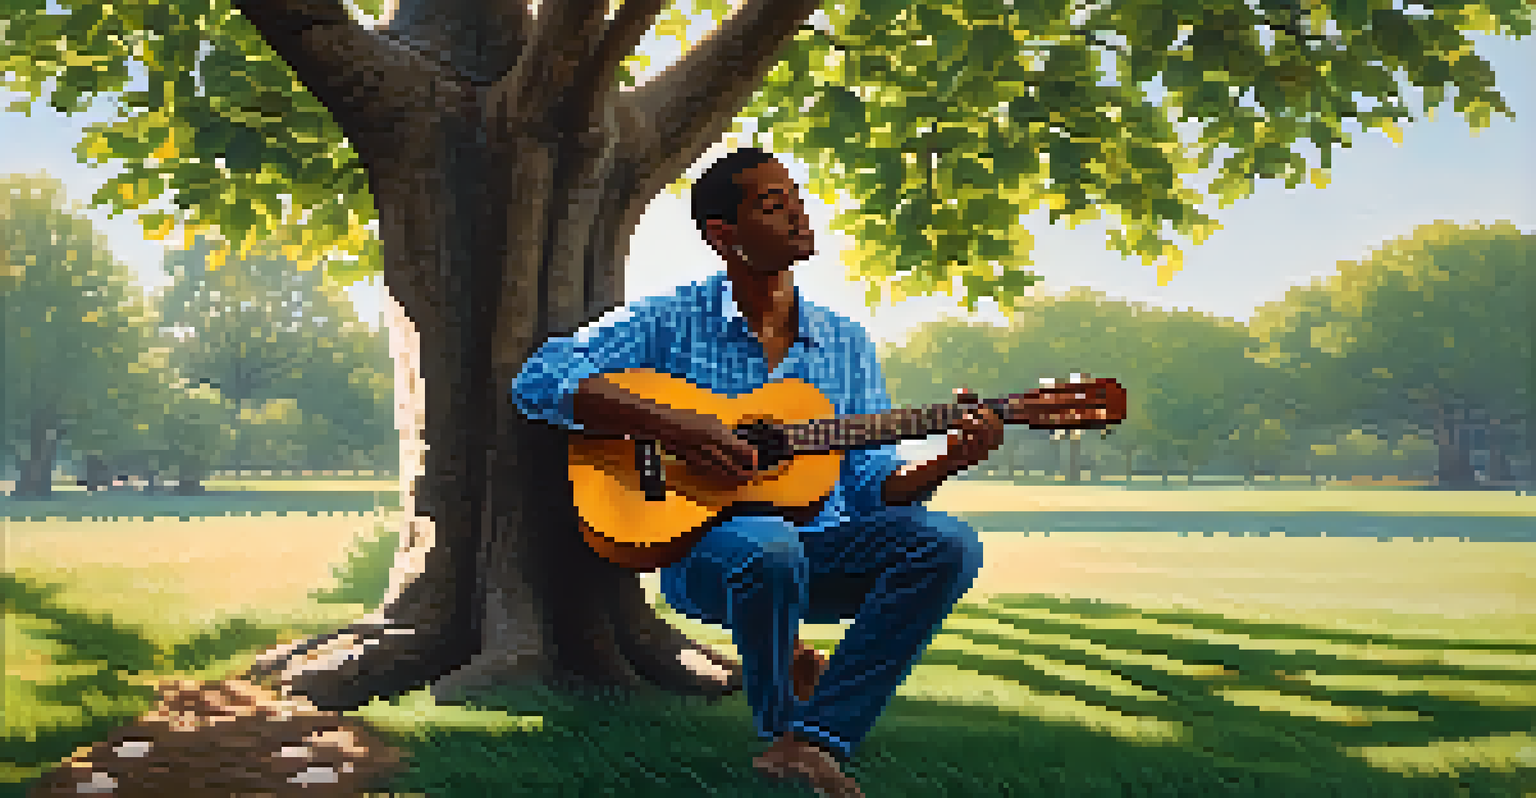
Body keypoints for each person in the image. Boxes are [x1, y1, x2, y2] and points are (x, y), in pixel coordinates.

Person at [511, 147, 1005, 797]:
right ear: (725, 235)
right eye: (774, 204)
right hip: (704, 558)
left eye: (797, 197)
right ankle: (780, 735)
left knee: (948, 543)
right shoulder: (670, 319)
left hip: (820, 553)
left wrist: (945, 459)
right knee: (768, 547)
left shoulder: (845, 342)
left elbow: (869, 487)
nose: (799, 212)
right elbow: (541, 377)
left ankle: (818, 738)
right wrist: (677, 426)